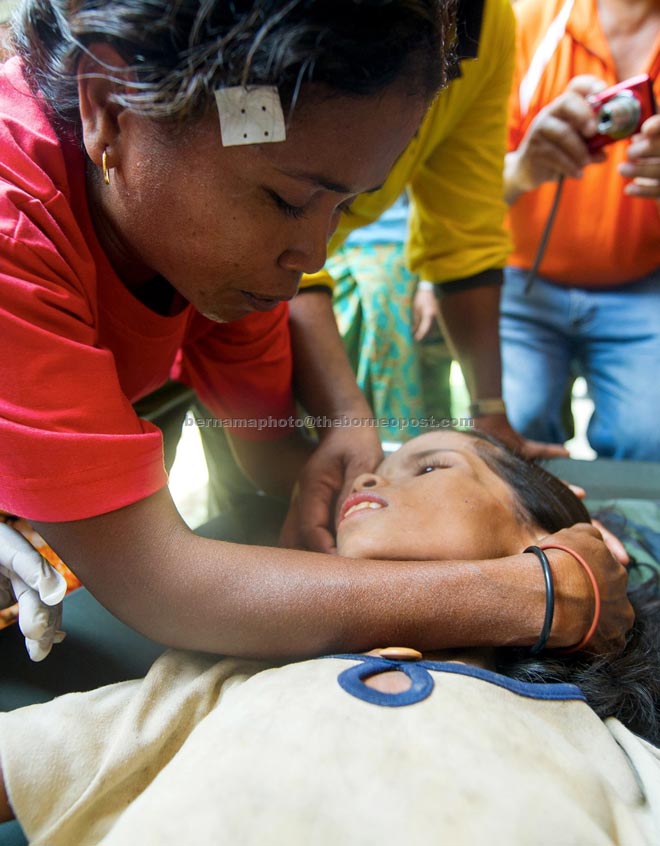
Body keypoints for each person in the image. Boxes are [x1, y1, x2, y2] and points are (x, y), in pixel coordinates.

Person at [0, 0, 630, 667]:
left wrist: (360, 478)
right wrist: (529, 594)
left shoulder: (207, 252)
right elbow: (163, 582)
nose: (313, 255)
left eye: (347, 206)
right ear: (109, 108)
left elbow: (270, 453)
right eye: (285, 200)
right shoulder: (17, 227)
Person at [0, 429, 658, 846]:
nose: (368, 478)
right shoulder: (225, 682)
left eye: (429, 467)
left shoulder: (607, 744)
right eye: (374, 470)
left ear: (545, 542)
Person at [501, 0, 660, 460]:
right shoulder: (531, 22)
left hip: (641, 285)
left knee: (648, 441)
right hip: (522, 278)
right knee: (513, 427)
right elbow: (459, 189)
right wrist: (526, 168)